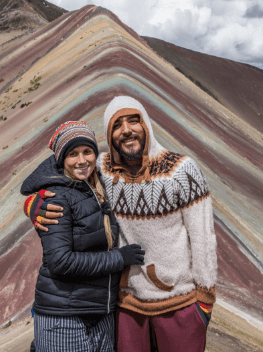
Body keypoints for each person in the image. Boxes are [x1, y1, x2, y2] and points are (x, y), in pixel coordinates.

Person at [26, 96, 217, 352]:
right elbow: (59, 168)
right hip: (126, 309)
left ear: (146, 125)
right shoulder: (102, 170)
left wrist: (204, 303)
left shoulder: (182, 171)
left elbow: (203, 237)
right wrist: (33, 204)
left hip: (179, 306)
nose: (126, 130)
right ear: (110, 135)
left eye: (133, 121)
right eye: (117, 125)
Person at [20, 121, 146, 352]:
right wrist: (119, 258)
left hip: (100, 312)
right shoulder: (56, 198)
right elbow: (60, 262)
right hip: (65, 316)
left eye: (87, 152)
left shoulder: (98, 187)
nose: (81, 160)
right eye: (73, 154)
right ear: (61, 160)